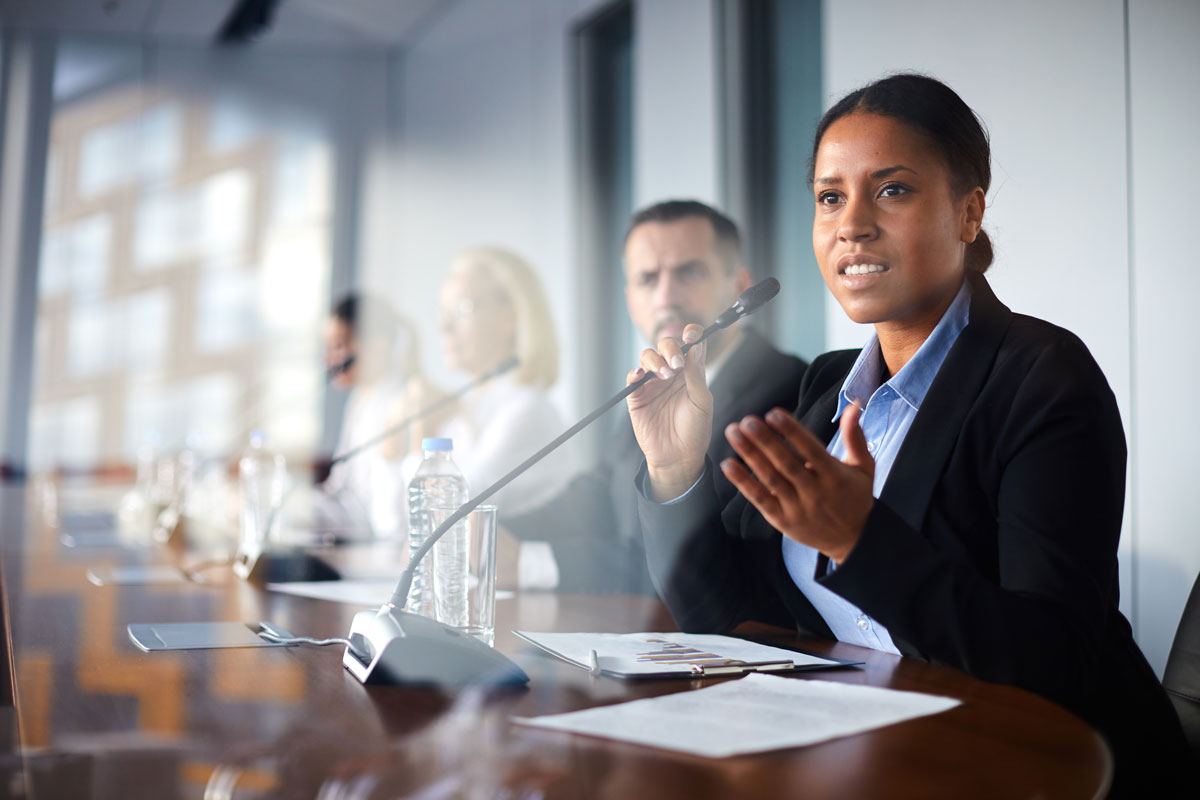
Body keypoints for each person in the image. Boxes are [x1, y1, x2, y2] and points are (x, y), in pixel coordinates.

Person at [629, 74, 1186, 794]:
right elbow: (728, 621)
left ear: (968, 212)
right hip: (867, 756)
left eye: (891, 190)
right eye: (830, 197)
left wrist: (859, 541)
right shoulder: (827, 388)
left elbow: (1055, 665)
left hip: (1043, 771)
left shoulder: (1043, 377)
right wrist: (675, 469)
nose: (850, 223)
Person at [503, 201, 808, 594]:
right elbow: (592, 500)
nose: (666, 296)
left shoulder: (787, 388)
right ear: (631, 302)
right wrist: (490, 531)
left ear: (738, 285)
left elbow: (696, 556)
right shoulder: (650, 384)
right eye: (648, 279)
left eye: (689, 272)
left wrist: (528, 563)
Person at [426, 246, 569, 527]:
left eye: (461, 309)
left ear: (510, 318)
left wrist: (419, 440)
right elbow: (392, 523)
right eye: (443, 312)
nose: (444, 327)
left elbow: (449, 516)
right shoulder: (463, 410)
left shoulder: (528, 412)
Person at [320, 293, 433, 540]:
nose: (331, 359)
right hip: (358, 531)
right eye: (329, 348)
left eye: (340, 345)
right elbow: (339, 487)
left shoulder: (402, 400)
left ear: (377, 344)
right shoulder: (359, 399)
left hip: (382, 538)